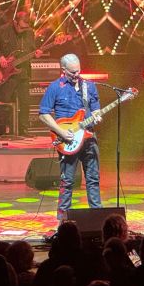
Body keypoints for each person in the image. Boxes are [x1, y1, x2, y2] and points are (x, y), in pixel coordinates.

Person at [38, 53, 102, 221]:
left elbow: (95, 108)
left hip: (88, 137)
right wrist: (60, 131)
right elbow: (43, 114)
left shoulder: (89, 86)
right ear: (63, 70)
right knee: (67, 182)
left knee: (93, 179)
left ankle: (98, 218)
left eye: (78, 71)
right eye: (72, 72)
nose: (76, 75)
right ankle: (63, 222)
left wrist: (97, 115)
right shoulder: (55, 87)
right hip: (68, 140)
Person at [0, 10, 40, 133]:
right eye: (21, 27)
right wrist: (0, 56)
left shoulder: (30, 32)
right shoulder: (4, 29)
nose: (23, 31)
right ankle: (0, 130)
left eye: (25, 28)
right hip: (7, 73)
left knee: (25, 103)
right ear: (15, 22)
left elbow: (32, 49)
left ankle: (24, 131)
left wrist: (36, 54)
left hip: (23, 72)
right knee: (4, 102)